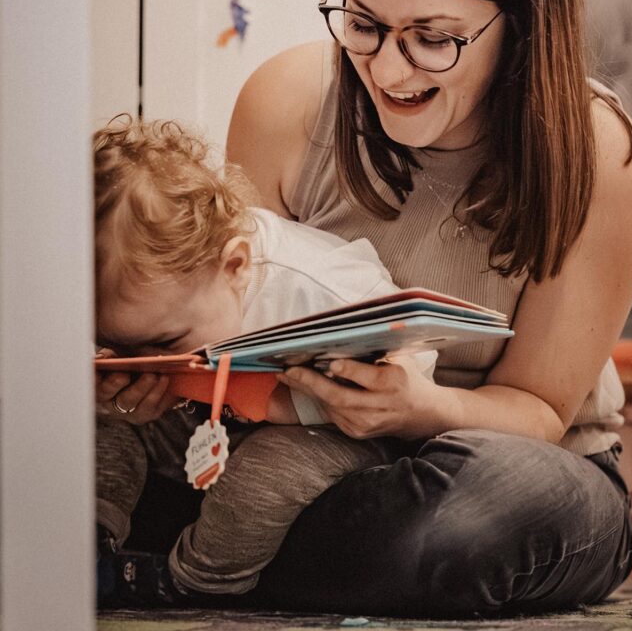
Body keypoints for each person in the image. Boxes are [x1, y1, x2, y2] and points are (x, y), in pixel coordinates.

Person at [217, 0, 632, 617]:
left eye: (434, 39)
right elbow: (234, 338)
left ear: (519, 20)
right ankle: (233, 552)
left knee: (478, 509)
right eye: (363, 23)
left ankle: (222, 561)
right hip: (310, 453)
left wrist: (417, 410)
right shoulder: (283, 102)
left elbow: (541, 412)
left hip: (521, 462)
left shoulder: (596, 149)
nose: (387, 68)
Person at [94, 115, 437, 605]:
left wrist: (284, 405)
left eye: (165, 342)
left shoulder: (319, 288)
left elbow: (409, 372)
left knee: (265, 468)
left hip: (326, 438)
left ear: (233, 266)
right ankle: (85, 540)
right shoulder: (161, 301)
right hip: (204, 425)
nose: (144, 360)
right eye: (119, 345)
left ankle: (194, 582)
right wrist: (116, 393)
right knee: (96, 423)